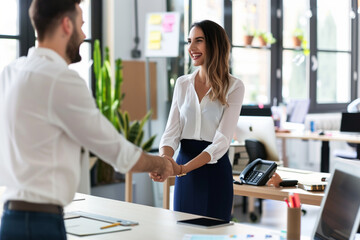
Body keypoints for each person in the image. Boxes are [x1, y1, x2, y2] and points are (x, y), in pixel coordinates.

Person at [0, 0, 173, 239]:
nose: (84, 35)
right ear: (66, 25)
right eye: (82, 25)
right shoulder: (61, 79)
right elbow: (120, 154)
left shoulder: (10, 72)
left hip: (10, 220)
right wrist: (160, 164)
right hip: (40, 224)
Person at [151, 20, 245, 221]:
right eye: (189, 41)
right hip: (184, 171)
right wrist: (166, 162)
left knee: (212, 234)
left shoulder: (235, 87)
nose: (191, 48)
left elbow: (221, 142)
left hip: (214, 172)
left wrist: (182, 169)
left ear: (214, 44)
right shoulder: (182, 83)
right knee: (182, 231)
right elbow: (171, 133)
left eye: (199, 41)